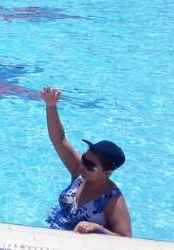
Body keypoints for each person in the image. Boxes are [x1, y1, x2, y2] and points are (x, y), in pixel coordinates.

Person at [40, 87, 131, 236]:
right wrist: (51, 106)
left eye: (90, 165)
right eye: (84, 158)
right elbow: (59, 140)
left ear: (106, 172)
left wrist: (98, 229)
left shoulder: (113, 200)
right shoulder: (79, 172)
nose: (82, 165)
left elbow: (127, 239)